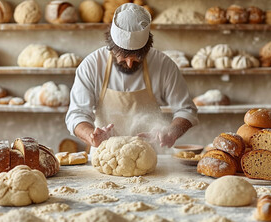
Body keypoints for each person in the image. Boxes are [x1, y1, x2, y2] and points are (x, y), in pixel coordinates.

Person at [65, 3, 198, 149]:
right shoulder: (92, 65)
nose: (129, 64)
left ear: (147, 49)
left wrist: (172, 131)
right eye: (123, 57)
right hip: (105, 155)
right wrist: (91, 135)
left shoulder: (163, 65)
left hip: (148, 155)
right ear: (111, 46)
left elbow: (186, 110)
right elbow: (77, 114)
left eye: (136, 58)